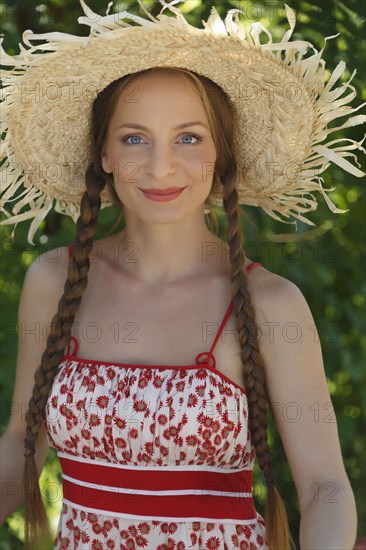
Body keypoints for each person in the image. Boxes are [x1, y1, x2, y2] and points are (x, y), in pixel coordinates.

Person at [0, 1, 363, 549]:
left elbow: (325, 488)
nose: (161, 167)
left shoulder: (271, 304)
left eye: (189, 138)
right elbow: (21, 440)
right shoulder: (54, 282)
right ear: (103, 151)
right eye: (134, 138)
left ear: (221, 153)